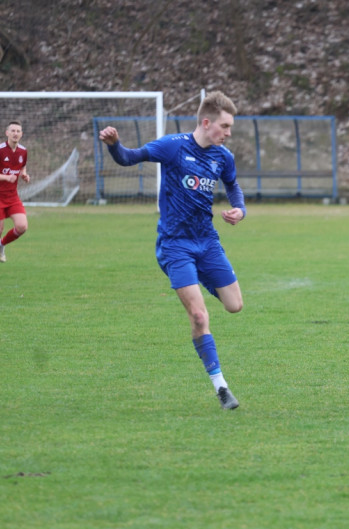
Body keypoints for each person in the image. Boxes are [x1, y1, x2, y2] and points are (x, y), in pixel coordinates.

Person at [98, 91, 247, 410]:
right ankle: (222, 389)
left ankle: (196, 281)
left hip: (207, 242)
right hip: (175, 245)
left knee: (234, 305)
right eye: (225, 126)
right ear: (206, 123)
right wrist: (114, 145)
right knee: (198, 315)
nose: (228, 133)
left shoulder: (223, 156)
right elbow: (128, 157)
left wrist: (239, 209)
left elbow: (233, 185)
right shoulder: (173, 146)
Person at [0, 121, 30, 271]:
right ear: (7, 133)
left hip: (12, 196)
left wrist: (24, 174)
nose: (16, 133)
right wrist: (5, 177)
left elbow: (22, 166)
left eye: (18, 131)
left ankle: (1, 244)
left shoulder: (23, 151)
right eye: (13, 130)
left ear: (21, 134)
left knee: (22, 226)